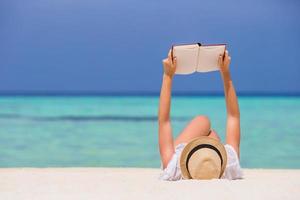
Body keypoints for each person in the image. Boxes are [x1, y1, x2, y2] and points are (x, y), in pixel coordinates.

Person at [158, 49, 243, 180]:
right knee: (212, 134)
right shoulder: (230, 165)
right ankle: (210, 140)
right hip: (207, 158)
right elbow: (233, 116)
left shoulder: (173, 166)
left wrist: (168, 75)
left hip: (183, 154)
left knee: (203, 121)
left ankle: (208, 140)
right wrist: (225, 72)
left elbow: (164, 121)